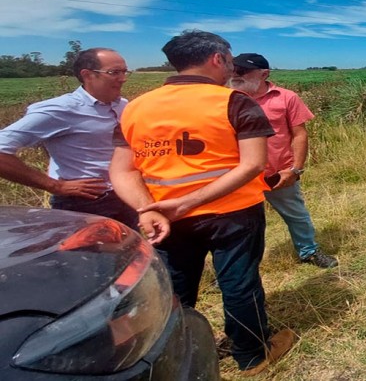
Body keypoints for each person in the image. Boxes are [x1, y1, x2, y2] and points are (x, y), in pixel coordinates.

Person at [108, 30, 296, 376]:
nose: (232, 69)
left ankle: (174, 356)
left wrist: (148, 208)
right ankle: (252, 355)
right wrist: (184, 203)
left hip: (166, 217)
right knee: (238, 283)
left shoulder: (136, 107)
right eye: (230, 60)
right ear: (217, 59)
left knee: (174, 287)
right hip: (233, 214)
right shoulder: (234, 102)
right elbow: (253, 164)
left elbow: (122, 170)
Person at [0, 48, 137, 227]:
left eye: (125, 72)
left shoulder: (123, 105)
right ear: (87, 75)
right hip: (85, 204)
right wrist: (55, 186)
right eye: (114, 72)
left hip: (126, 196)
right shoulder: (59, 109)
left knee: (132, 245)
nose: (123, 78)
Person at [228, 53, 338, 269]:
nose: (235, 75)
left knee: (296, 215)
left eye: (242, 71)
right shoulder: (227, 99)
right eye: (232, 70)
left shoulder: (286, 97)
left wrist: (295, 169)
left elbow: (299, 134)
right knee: (237, 223)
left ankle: (309, 252)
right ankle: (236, 268)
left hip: (277, 174)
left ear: (264, 74)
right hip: (238, 175)